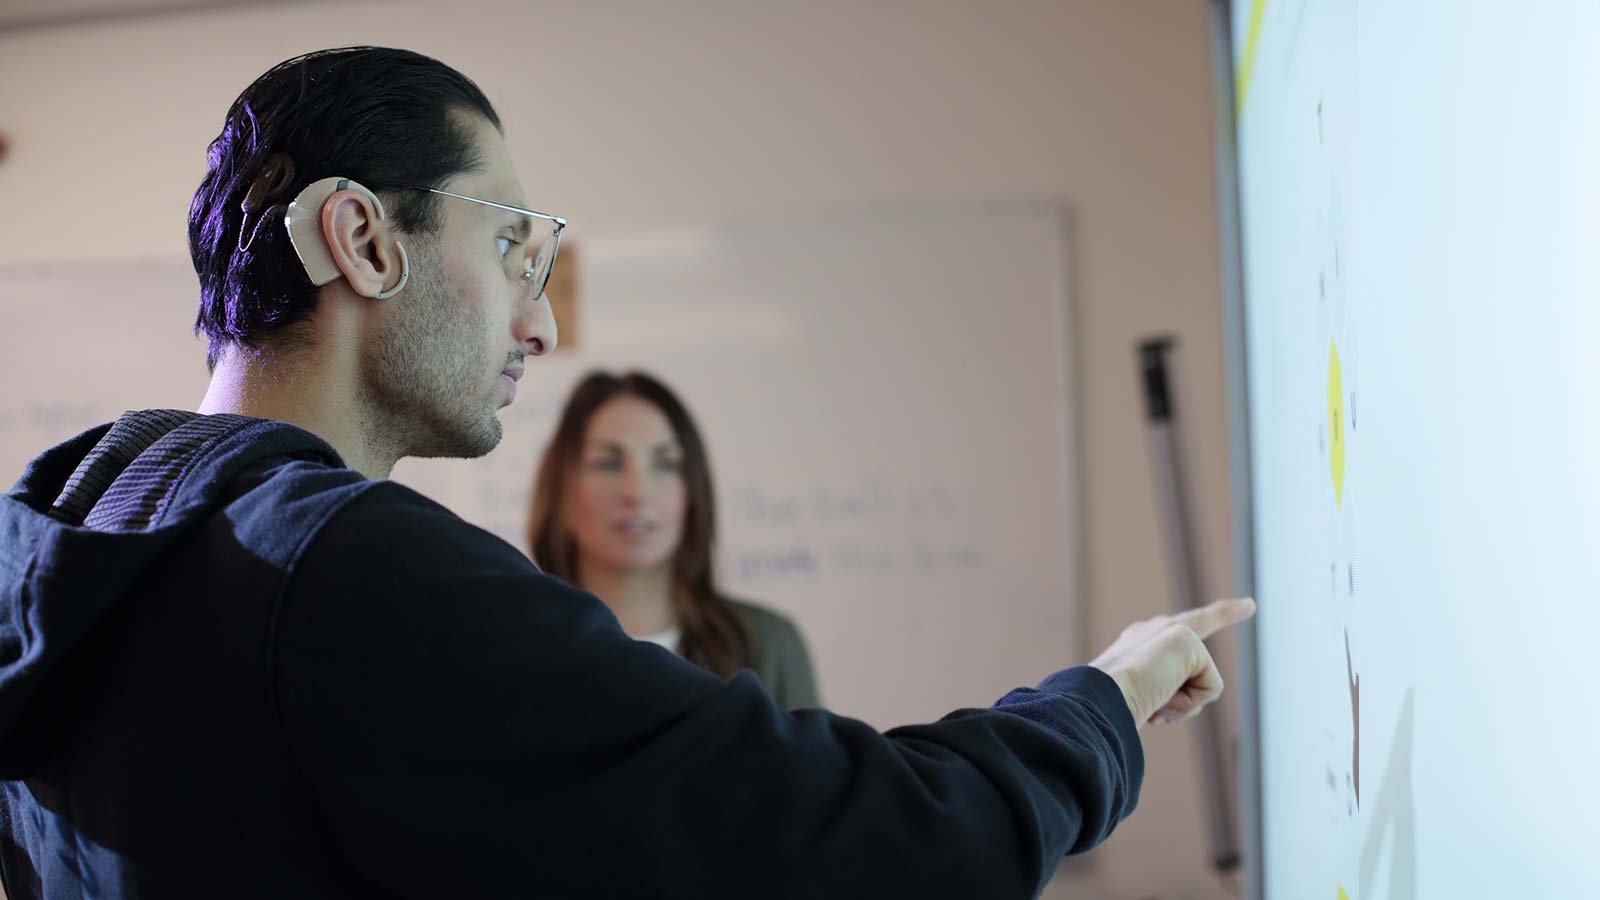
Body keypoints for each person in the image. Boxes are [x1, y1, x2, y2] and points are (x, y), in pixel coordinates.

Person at [0, 46, 1254, 899]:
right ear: (361, 238)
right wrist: (1104, 701)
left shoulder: (76, 528)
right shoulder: (342, 571)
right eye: (512, 248)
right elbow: (850, 843)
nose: (539, 329)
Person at [529, 370, 819, 709]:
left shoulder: (769, 646)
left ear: (693, 491)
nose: (636, 493)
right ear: (562, 487)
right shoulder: (522, 648)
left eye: (665, 464)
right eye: (607, 463)